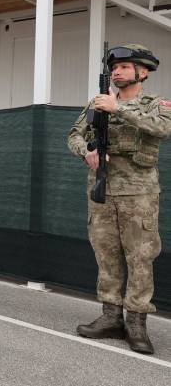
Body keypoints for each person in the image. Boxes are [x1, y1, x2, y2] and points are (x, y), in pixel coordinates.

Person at [67, 44, 171, 355]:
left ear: (143, 72)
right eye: (114, 67)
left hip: (138, 193)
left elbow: (163, 128)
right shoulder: (96, 103)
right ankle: (111, 316)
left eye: (125, 66)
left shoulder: (157, 103)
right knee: (106, 256)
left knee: (140, 259)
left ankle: (136, 322)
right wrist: (86, 151)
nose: (117, 71)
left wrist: (118, 109)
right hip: (101, 191)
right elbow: (73, 134)